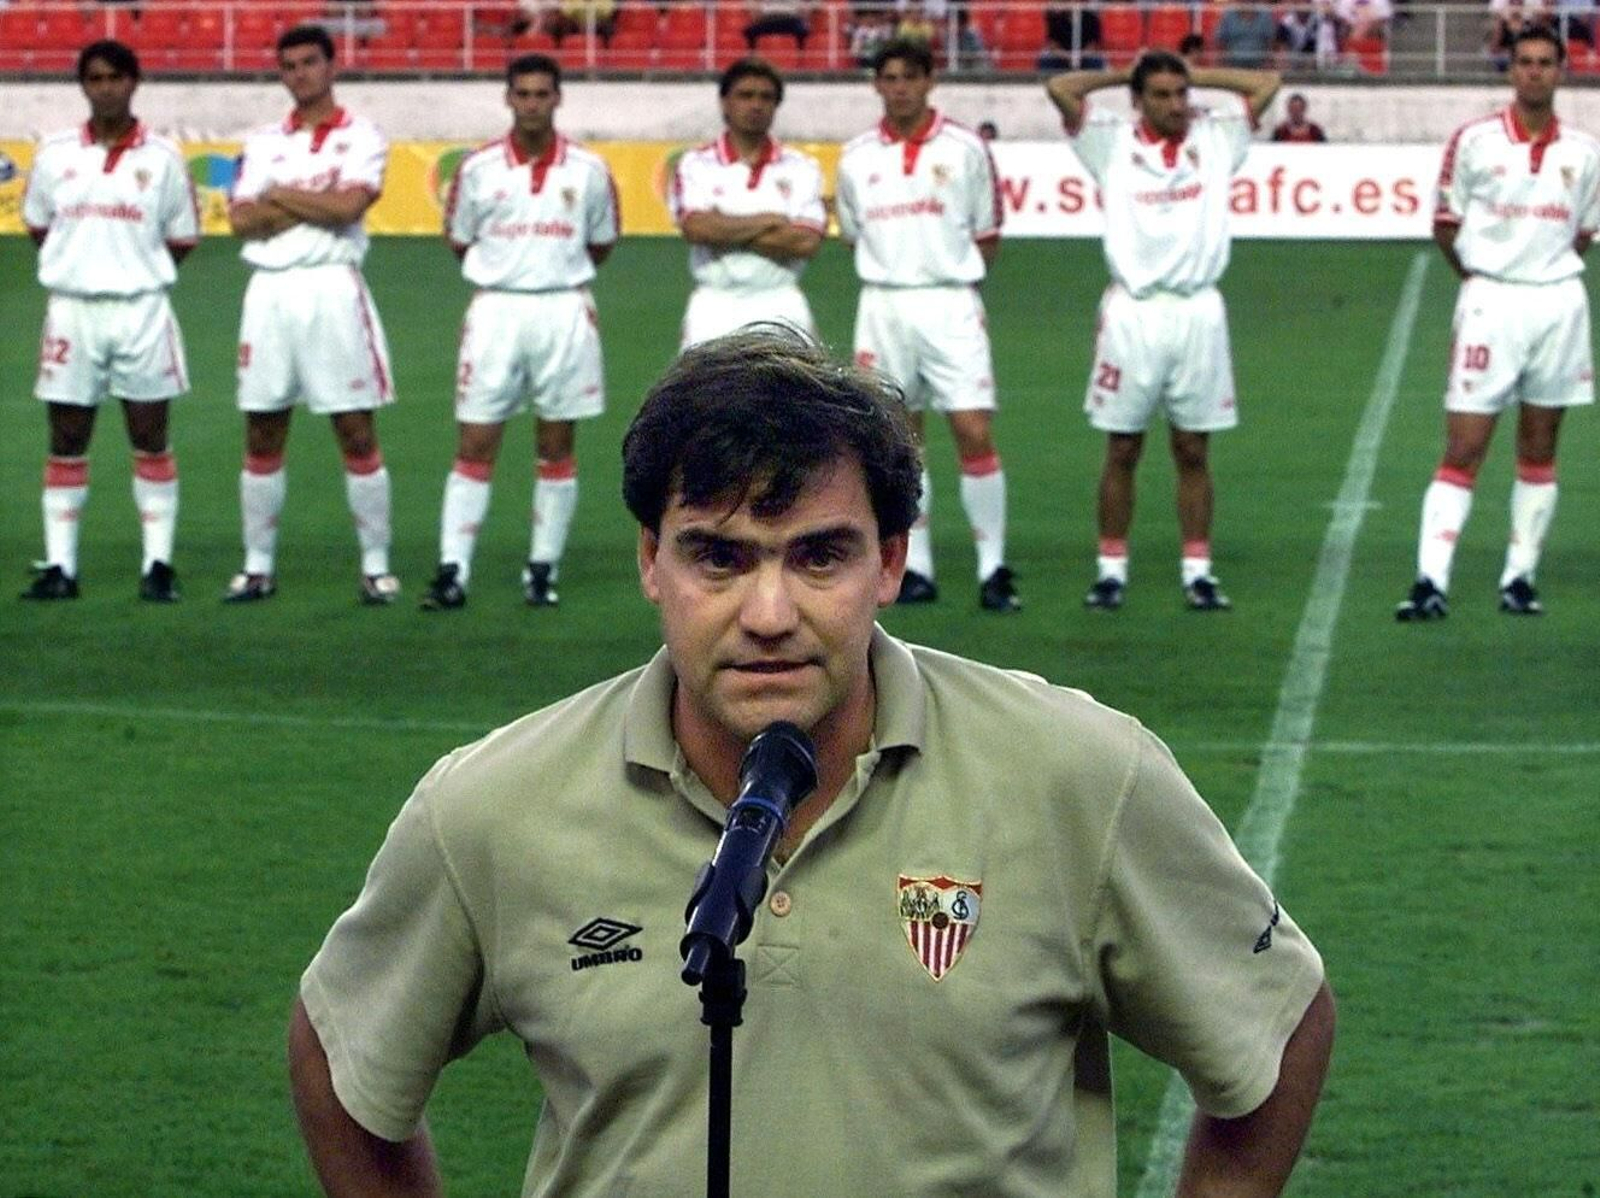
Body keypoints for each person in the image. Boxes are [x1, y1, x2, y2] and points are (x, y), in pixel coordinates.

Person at [287, 326, 1335, 1197]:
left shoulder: (1079, 774)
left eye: (819, 554)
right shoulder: (494, 805)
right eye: (719, 555)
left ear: (889, 560)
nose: (770, 614)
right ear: (650, 559)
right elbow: (342, 1061)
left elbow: (1276, 1027)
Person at [1047, 53, 1281, 611]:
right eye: (1161, 95)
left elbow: (1268, 84)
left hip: (1199, 312)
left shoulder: (1217, 137)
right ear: (1138, 100)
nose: (1177, 104)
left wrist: (1193, 73)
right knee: (1122, 446)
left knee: (1193, 447)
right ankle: (1110, 569)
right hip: (1133, 314)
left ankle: (1198, 570)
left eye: (1182, 93)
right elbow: (1061, 87)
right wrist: (1124, 70)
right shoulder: (1110, 143)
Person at [1396, 26, 1598, 620]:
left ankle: (1520, 577)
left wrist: (1540, 271)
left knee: (1540, 447)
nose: (1535, 72)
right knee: (1464, 446)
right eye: (1525, 62)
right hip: (1490, 304)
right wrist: (1482, 279)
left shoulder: (1584, 153)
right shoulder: (1475, 141)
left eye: (1545, 63)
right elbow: (1445, 222)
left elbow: (1582, 234)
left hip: (1558, 305)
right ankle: (1431, 579)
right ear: (1510, 71)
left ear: (1562, 71)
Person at [419, 54, 619, 612]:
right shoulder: (478, 167)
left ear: (558, 99)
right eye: (522, 94)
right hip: (496, 313)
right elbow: (460, 238)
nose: (532, 104)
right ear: (509, 99)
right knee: (475, 443)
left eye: (542, 94)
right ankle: (452, 569)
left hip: (563, 311)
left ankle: (542, 568)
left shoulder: (589, 169)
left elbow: (601, 242)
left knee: (556, 444)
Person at [835, 39, 1020, 613]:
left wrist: (948, 279)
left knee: (972, 430)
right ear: (876, 84)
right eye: (888, 78)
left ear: (929, 81)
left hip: (949, 304)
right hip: (885, 305)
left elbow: (988, 235)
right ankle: (917, 567)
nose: (899, 88)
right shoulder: (857, 156)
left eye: (909, 77)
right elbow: (851, 231)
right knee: (899, 440)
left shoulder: (965, 148)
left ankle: (993, 566)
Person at [226, 24, 400, 605]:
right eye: (290, 65)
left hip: (332, 291)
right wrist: (312, 205)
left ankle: (375, 567)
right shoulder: (261, 140)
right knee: (262, 426)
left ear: (332, 66)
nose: (299, 73)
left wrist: (278, 195)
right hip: (269, 294)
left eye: (309, 63)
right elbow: (241, 221)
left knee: (355, 429)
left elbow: (349, 206)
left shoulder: (363, 135)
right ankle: (256, 567)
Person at [19, 40, 197, 603]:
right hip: (72, 310)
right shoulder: (53, 154)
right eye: (95, 78)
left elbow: (181, 238)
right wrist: (84, 265)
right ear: (83, 86)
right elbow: (40, 226)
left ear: (134, 83)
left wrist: (129, 269)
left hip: (141, 310)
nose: (106, 88)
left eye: (116, 78)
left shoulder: (165, 159)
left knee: (150, 435)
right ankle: (60, 568)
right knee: (66, 437)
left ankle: (158, 565)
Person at [668, 58, 825, 351]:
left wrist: (724, 227)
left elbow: (805, 243)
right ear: (724, 102)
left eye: (766, 97)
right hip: (715, 304)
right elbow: (697, 229)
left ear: (776, 106)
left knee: (790, 397)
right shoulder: (695, 163)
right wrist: (770, 220)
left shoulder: (802, 167)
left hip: (781, 300)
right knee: (706, 397)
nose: (756, 105)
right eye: (745, 95)